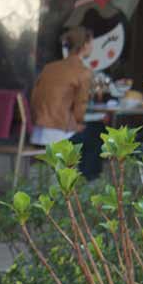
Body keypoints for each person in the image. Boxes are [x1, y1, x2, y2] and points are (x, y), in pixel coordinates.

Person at [30, 26, 103, 180]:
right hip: (59, 134)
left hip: (38, 133)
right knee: (98, 132)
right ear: (84, 45)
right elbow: (80, 108)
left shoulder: (49, 68)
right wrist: (78, 123)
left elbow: (35, 96)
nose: (92, 46)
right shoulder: (83, 71)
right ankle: (88, 181)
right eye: (91, 43)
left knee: (90, 131)